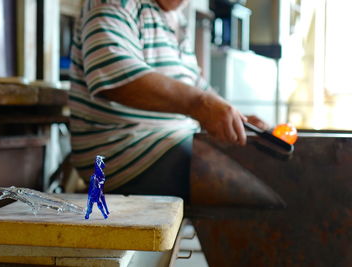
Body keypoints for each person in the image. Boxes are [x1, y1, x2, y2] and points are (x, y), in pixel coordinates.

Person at [69, 0, 267, 201]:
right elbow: (114, 73)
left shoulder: (175, 16)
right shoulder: (117, 3)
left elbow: (194, 83)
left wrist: (233, 118)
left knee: (264, 170)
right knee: (255, 191)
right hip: (125, 153)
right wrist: (200, 104)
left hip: (171, 143)